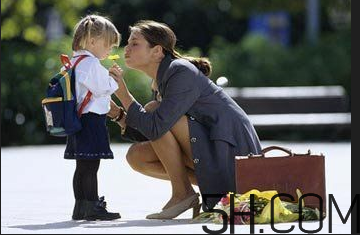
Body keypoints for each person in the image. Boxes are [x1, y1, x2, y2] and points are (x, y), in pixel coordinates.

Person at [108, 20, 262, 220]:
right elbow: (151, 133)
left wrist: (125, 95)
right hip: (213, 150)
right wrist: (117, 114)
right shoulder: (162, 79)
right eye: (128, 43)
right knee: (137, 156)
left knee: (154, 109)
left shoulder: (179, 71)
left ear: (157, 51)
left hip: (233, 155)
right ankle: (201, 190)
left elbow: (156, 126)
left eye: (134, 43)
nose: (126, 48)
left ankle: (183, 193)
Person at [64, 14, 121, 221]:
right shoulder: (91, 64)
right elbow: (102, 88)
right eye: (108, 45)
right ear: (92, 41)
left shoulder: (74, 62)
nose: (109, 51)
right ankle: (93, 206)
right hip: (91, 120)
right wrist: (114, 79)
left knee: (82, 166)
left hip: (77, 119)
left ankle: (80, 206)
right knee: (91, 166)